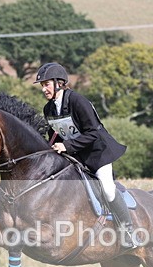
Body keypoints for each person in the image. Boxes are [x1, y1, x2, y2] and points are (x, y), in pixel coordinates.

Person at [34, 62, 136, 249]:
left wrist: (66, 146)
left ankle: (128, 231)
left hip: (98, 154)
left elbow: (93, 133)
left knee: (107, 189)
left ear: (59, 83)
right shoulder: (48, 109)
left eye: (46, 84)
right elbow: (55, 134)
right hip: (76, 155)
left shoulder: (78, 101)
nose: (43, 89)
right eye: (42, 85)